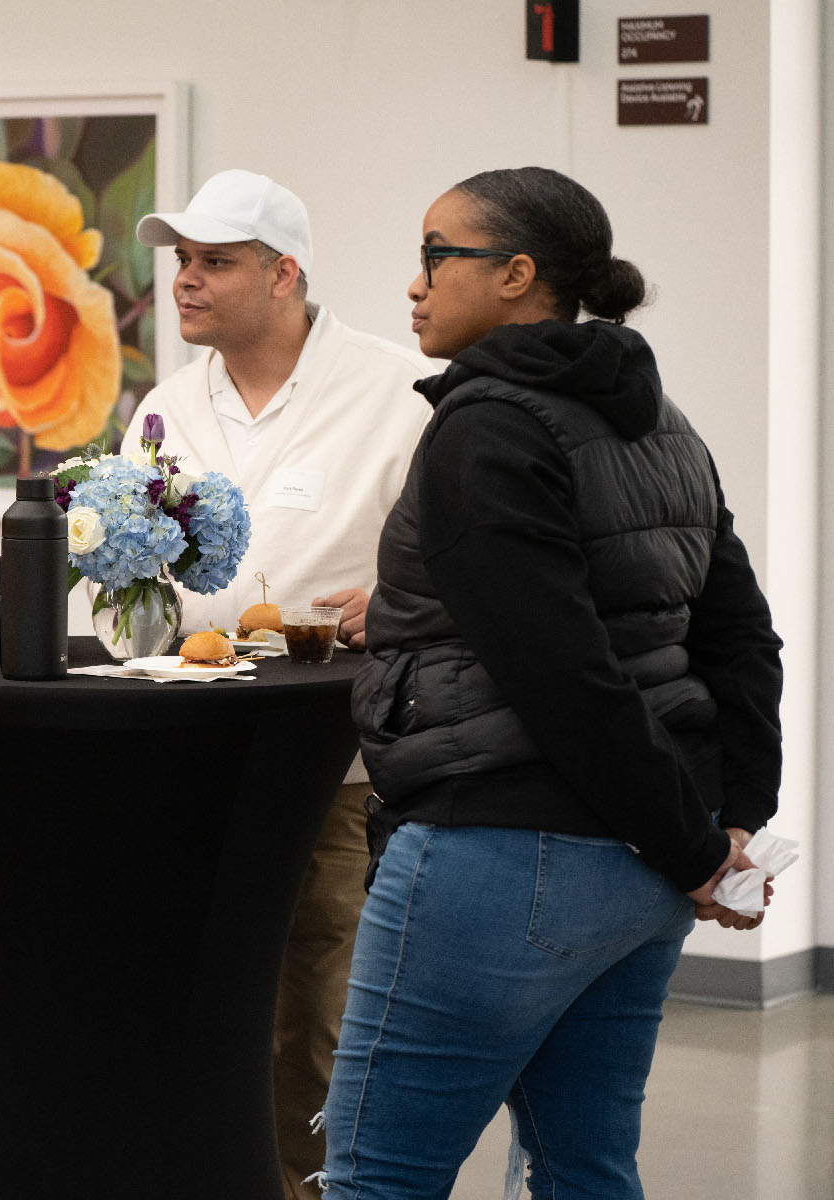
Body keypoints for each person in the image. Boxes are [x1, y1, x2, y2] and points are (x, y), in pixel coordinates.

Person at [320, 166, 783, 1198]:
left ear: (517, 275)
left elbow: (558, 671)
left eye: (437, 254)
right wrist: (727, 823)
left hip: (497, 855)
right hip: (638, 870)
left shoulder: (485, 425)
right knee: (584, 1172)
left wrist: (696, 847)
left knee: (374, 1179)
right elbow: (738, 637)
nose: (414, 283)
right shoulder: (661, 424)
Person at [122, 169, 432, 1199]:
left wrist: (390, 594)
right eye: (180, 262)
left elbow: (460, 559)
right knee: (199, 1012)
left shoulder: (398, 394)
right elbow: (121, 579)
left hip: (331, 771)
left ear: (282, 273)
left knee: (318, 1016)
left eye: (213, 261)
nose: (185, 282)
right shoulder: (166, 407)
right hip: (183, 762)